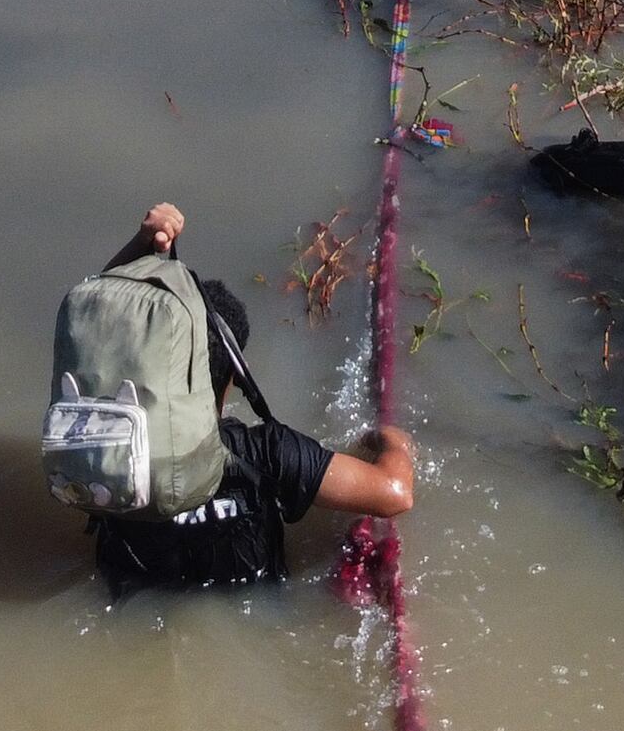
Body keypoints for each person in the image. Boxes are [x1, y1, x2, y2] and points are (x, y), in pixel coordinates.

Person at [78, 203, 416, 592]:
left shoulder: (110, 451)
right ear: (235, 378)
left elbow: (96, 322)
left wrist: (142, 244)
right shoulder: (267, 452)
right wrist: (394, 442)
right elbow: (395, 494)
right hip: (258, 605)